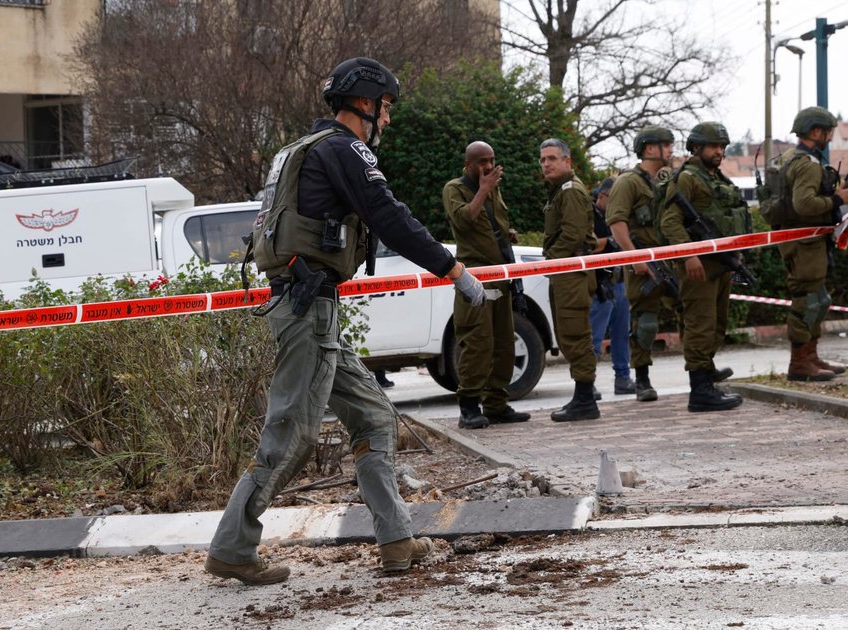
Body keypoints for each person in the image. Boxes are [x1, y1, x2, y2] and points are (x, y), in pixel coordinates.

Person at [207, 57, 488, 586]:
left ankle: (397, 539)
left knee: (375, 419)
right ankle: (232, 547)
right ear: (365, 103)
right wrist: (454, 270)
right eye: (386, 108)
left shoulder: (300, 149)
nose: (388, 119)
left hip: (309, 307)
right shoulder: (343, 148)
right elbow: (389, 216)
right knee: (292, 433)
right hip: (306, 309)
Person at [770, 107, 848, 381]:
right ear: (816, 132)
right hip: (804, 242)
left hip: (803, 240)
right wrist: (838, 199)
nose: (830, 137)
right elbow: (804, 204)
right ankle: (799, 363)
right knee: (807, 302)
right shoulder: (807, 164)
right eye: (828, 132)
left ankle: (810, 356)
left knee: (819, 299)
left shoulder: (792, 157)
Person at [659, 122, 748, 412]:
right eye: (713, 146)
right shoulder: (688, 178)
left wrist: (736, 254)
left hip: (720, 263)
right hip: (698, 266)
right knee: (700, 326)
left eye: (722, 146)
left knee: (717, 325)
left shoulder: (715, 177)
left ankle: (707, 373)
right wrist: (689, 256)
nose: (719, 151)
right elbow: (670, 221)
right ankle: (700, 391)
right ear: (696, 147)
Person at [442, 141, 531, 429]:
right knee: (477, 342)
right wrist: (483, 190)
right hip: (474, 278)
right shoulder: (454, 188)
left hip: (501, 276)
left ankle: (496, 404)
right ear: (468, 164)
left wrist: (507, 233)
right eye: (482, 161)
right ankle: (468, 406)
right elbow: (465, 220)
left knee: (505, 343)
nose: (488, 166)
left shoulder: (493, 188)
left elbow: (491, 224)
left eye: (491, 160)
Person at [604, 125, 677, 402]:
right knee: (645, 322)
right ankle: (642, 380)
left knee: (694, 311)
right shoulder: (628, 182)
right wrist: (635, 259)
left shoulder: (665, 180)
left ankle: (704, 370)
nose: (670, 150)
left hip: (670, 260)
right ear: (650, 149)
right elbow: (616, 223)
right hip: (644, 263)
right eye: (666, 145)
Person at [539, 138, 600, 422]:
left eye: (552, 158)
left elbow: (573, 234)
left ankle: (586, 399)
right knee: (567, 334)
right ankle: (584, 395)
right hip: (565, 272)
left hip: (572, 271)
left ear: (567, 161)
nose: (546, 164)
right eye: (543, 159)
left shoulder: (570, 190)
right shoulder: (558, 192)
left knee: (575, 334)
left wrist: (551, 257)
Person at [588, 177, 634, 399]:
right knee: (594, 337)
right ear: (603, 197)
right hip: (600, 285)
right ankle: (588, 381)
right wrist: (610, 241)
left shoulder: (619, 216)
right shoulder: (590, 214)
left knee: (622, 334)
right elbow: (585, 245)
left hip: (620, 281)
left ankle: (623, 378)